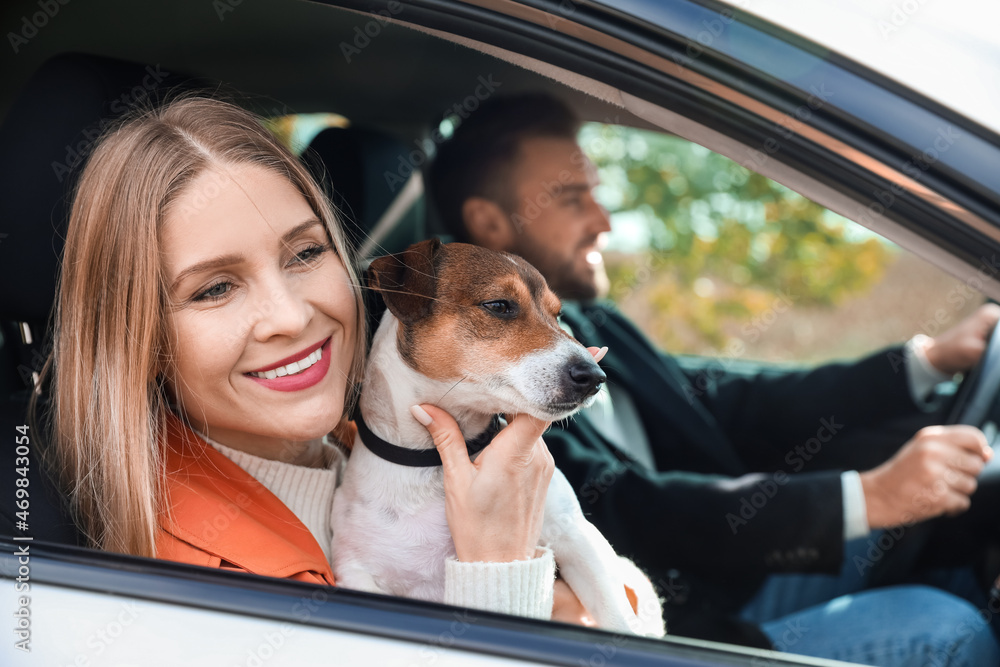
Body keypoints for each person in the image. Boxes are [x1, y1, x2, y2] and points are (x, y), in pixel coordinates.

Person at [427, 92, 1000, 665]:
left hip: (730, 575)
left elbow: (730, 401)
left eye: (596, 195)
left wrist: (926, 362)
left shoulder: (590, 323)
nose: (604, 221)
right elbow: (637, 511)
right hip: (684, 631)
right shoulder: (482, 386)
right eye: (574, 199)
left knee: (950, 540)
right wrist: (872, 496)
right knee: (946, 629)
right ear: (491, 222)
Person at [38, 95, 579, 621]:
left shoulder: (373, 449)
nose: (291, 317)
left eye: (306, 253)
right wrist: (500, 578)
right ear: (142, 341)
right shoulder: (208, 593)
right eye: (215, 288)